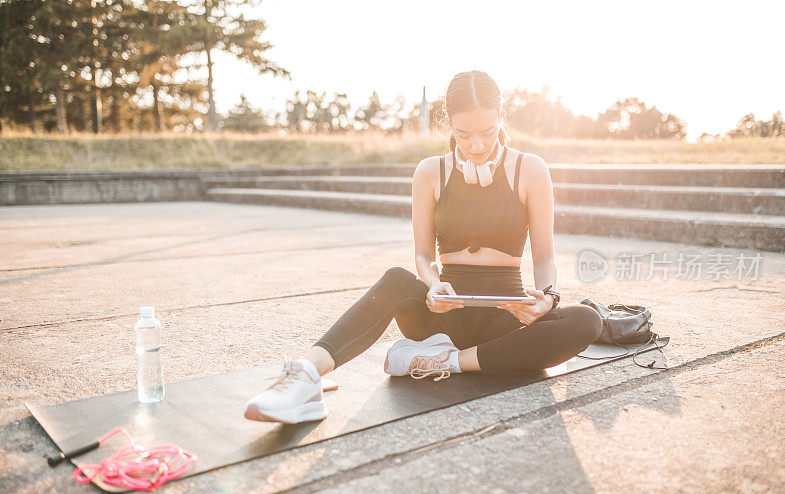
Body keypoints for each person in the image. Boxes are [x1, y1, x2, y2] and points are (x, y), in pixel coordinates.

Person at [244, 70, 603, 424]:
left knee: (586, 319)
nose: (477, 145)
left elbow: (544, 256)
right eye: (463, 134)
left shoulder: (530, 168)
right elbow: (422, 256)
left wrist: (545, 298)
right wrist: (432, 286)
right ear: (447, 123)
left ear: (501, 118)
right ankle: (305, 377)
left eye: (488, 132)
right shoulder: (430, 171)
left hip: (504, 321)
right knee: (395, 279)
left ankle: (444, 362)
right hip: (441, 319)